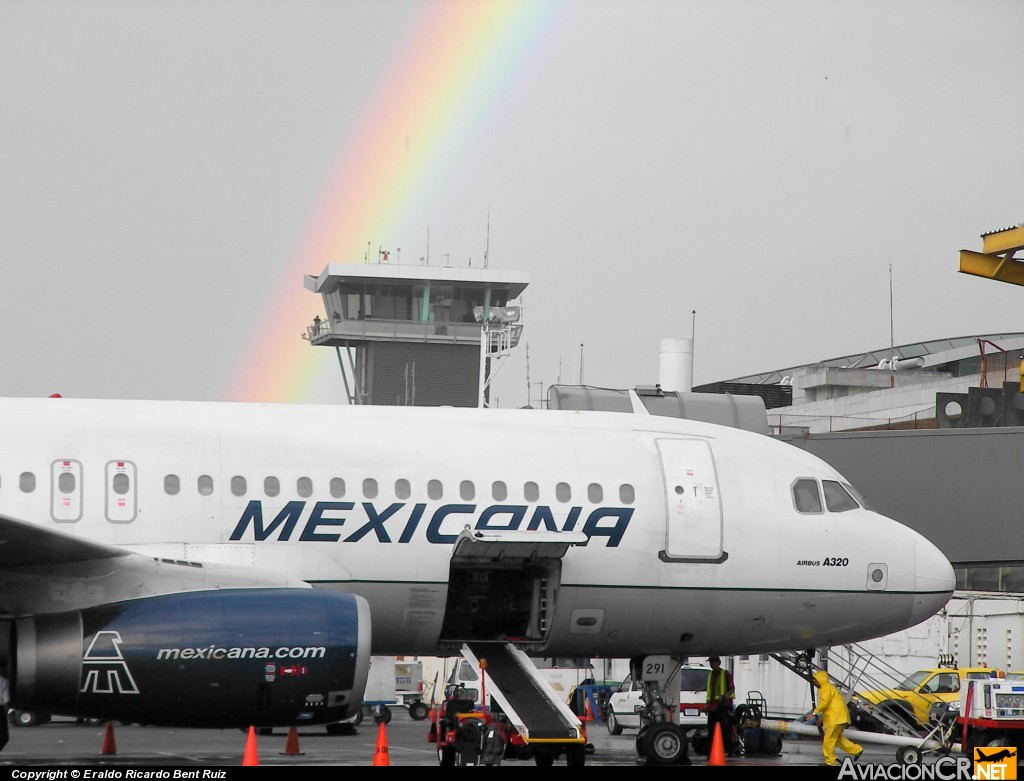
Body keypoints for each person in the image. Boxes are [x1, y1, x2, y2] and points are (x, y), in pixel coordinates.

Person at [809, 670, 863, 766]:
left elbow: (824, 702)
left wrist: (815, 712)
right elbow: (831, 706)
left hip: (835, 718)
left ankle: (830, 761)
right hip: (840, 718)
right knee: (837, 739)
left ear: (820, 679)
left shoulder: (825, 687)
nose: (815, 683)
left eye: (815, 680)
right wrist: (821, 720)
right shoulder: (830, 687)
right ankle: (857, 750)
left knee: (828, 740)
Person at [706, 656, 738, 755]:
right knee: (711, 730)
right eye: (710, 662)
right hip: (713, 707)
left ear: (718, 662)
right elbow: (709, 691)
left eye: (713, 662)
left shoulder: (725, 673)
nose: (711, 664)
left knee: (725, 730)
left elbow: (732, 688)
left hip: (723, 707)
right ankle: (714, 750)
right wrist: (707, 705)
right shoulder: (711, 674)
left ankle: (728, 750)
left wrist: (725, 697)